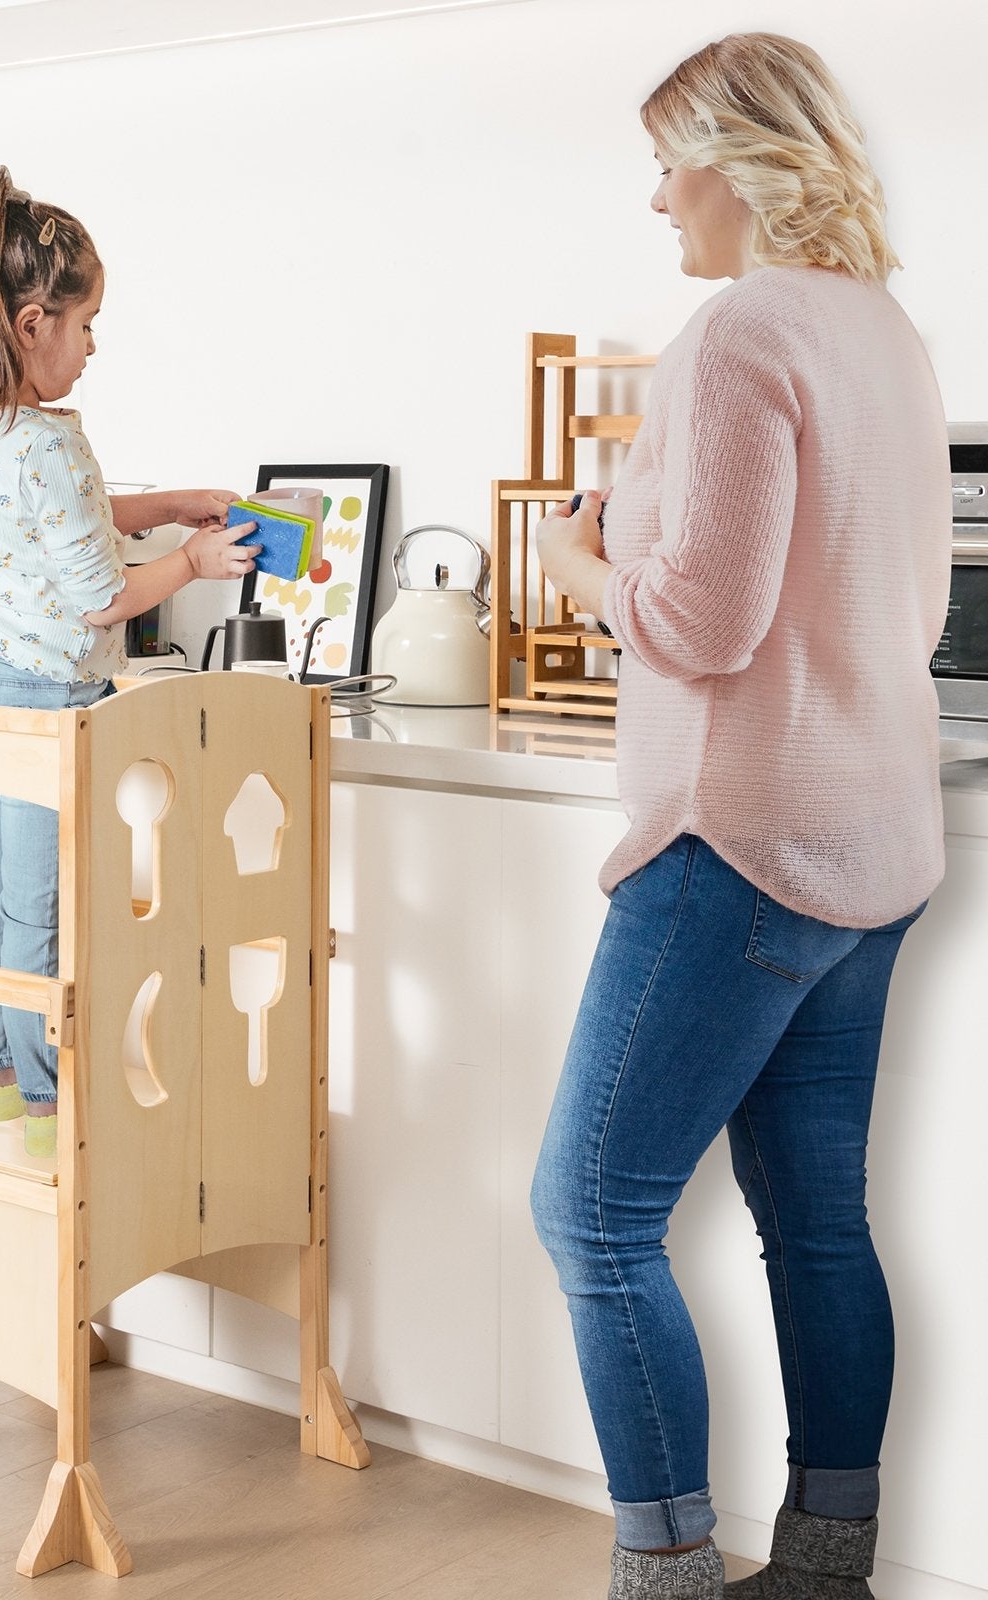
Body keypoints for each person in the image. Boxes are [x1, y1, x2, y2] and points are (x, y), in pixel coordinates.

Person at [529, 34, 950, 1600]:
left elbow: (702, 626)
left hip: (743, 845)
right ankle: (827, 1567)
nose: (656, 202)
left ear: (740, 160)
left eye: (667, 164)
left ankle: (670, 1578)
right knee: (818, 1227)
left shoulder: (736, 334)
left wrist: (577, 572)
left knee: (589, 1210)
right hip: (874, 846)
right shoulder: (884, 333)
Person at [0, 167, 257, 1159]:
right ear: (33, 324)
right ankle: (45, 1098)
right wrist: (191, 562)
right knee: (39, 903)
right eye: (87, 322)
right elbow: (103, 593)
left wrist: (163, 506)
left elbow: (64, 529)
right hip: (40, 694)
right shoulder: (50, 447)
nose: (94, 344)